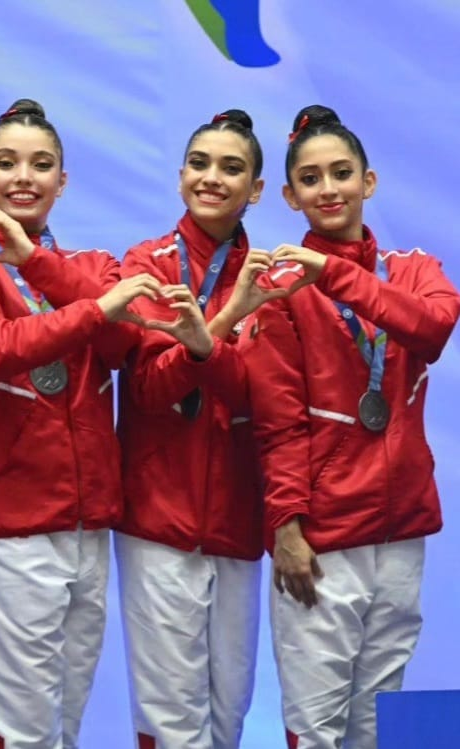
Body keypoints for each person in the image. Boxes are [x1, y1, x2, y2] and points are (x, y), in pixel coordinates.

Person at [0, 98, 179, 749]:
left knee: (66, 719)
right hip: (6, 522)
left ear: (62, 181)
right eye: (6, 163)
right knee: (21, 730)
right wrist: (92, 311)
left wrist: (40, 266)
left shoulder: (94, 269)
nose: (23, 177)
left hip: (86, 521)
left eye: (40, 165)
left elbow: (129, 344)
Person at [240, 104, 460, 748]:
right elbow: (278, 424)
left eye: (341, 173)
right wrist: (286, 527)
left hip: (401, 530)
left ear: (369, 182)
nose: (327, 188)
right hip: (324, 538)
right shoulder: (281, 291)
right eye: (311, 179)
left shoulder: (414, 270)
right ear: (290, 196)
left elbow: (433, 327)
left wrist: (334, 273)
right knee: (317, 724)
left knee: (380, 718)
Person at [114, 109, 290, 749]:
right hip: (159, 517)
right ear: (181, 174)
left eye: (231, 167)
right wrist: (221, 328)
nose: (212, 178)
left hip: (238, 520)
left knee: (229, 712)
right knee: (170, 718)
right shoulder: (145, 266)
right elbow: (146, 389)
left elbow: (262, 396)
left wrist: (202, 339)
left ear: (258, 189)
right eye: (200, 164)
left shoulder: (273, 278)